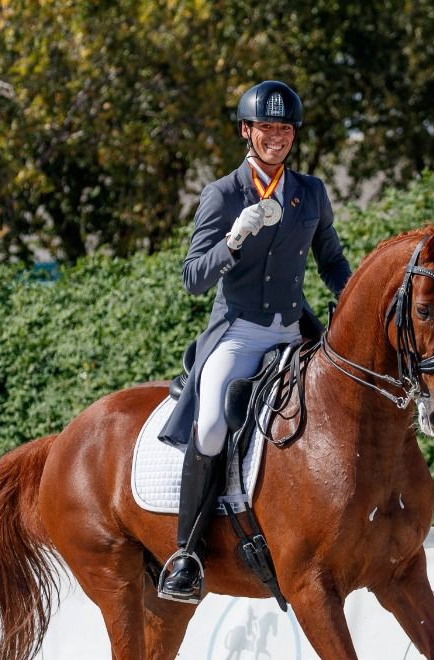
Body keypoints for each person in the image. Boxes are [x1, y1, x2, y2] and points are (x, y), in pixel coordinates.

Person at [158, 80, 352, 603]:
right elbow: (194, 277)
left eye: (284, 129)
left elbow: (330, 261)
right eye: (266, 128)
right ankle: (186, 554)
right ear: (247, 131)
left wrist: (354, 298)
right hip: (239, 331)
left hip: (292, 330)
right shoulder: (224, 194)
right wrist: (232, 241)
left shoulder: (309, 192)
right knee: (215, 420)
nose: (276, 137)